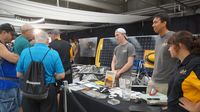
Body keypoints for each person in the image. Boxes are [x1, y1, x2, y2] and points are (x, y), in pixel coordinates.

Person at [16, 29, 65, 112]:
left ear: (35, 39)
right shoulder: (53, 53)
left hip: (29, 90)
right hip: (48, 89)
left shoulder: (25, 52)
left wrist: (31, 76)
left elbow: (19, 74)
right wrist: (53, 76)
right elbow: (61, 75)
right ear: (47, 40)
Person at [167, 31, 200, 112]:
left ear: (179, 45)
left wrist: (197, 108)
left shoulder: (196, 64)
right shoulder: (180, 63)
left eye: (170, 46)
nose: (169, 49)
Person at [147, 13, 178, 95]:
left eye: (156, 22)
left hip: (166, 82)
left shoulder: (173, 36)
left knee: (161, 107)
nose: (153, 25)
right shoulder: (157, 38)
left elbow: (182, 58)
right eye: (153, 23)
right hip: (153, 80)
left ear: (164, 23)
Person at [0, 23, 20, 112]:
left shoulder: (4, 46)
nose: (13, 37)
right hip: (5, 86)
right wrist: (15, 56)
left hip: (9, 85)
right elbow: (14, 59)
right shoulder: (0, 46)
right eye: (11, 34)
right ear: (4, 32)